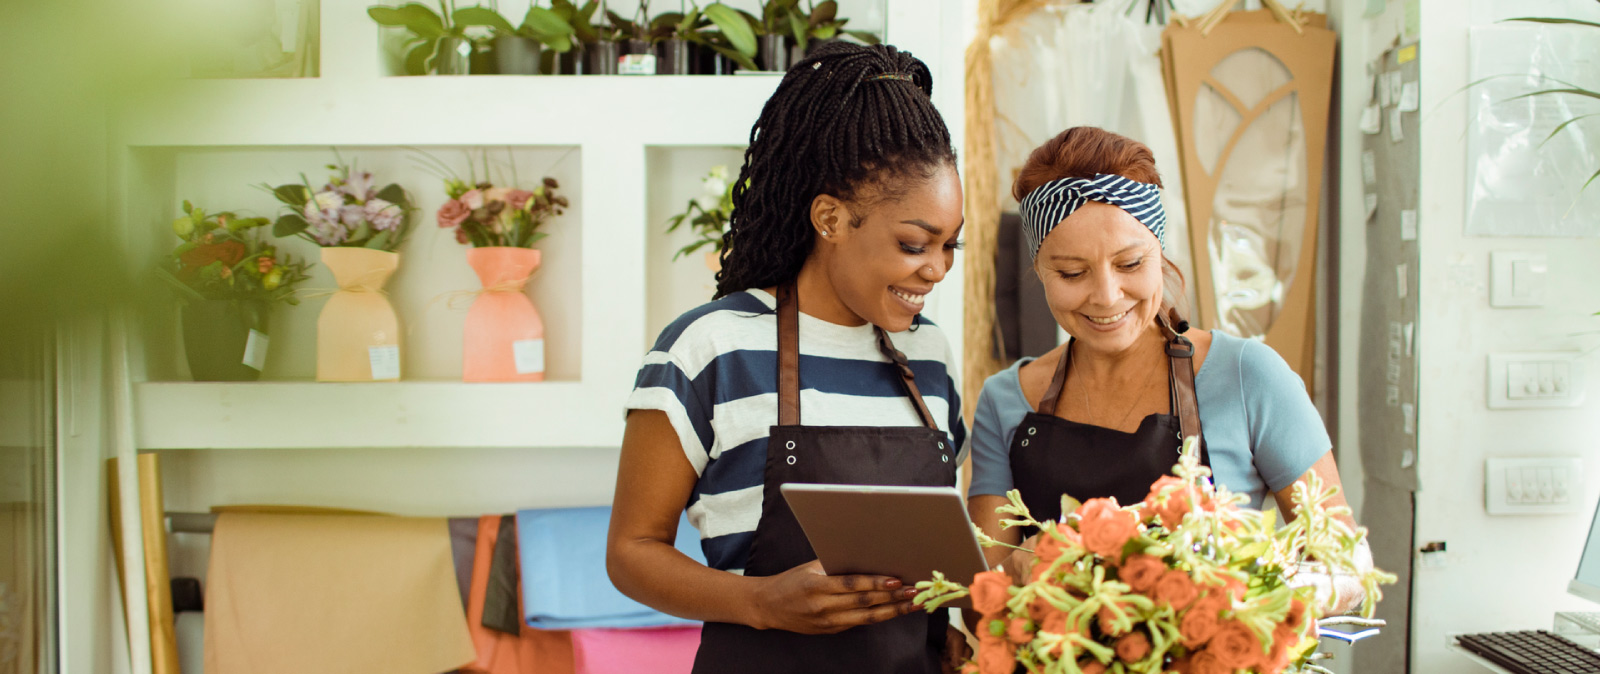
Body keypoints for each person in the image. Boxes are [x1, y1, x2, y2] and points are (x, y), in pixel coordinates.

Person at [606, 43, 969, 673]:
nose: (936, 269)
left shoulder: (929, 353)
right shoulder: (711, 348)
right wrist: (759, 602)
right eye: (914, 244)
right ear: (830, 217)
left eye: (949, 245)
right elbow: (632, 552)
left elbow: (940, 547)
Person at [966, 127, 1367, 612]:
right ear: (1038, 270)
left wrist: (1246, 587)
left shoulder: (1248, 376)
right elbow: (983, 597)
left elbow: (1349, 568)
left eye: (1131, 263)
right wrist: (1018, 570)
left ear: (1160, 252)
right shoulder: (1006, 400)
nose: (1107, 295)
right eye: (1072, 273)